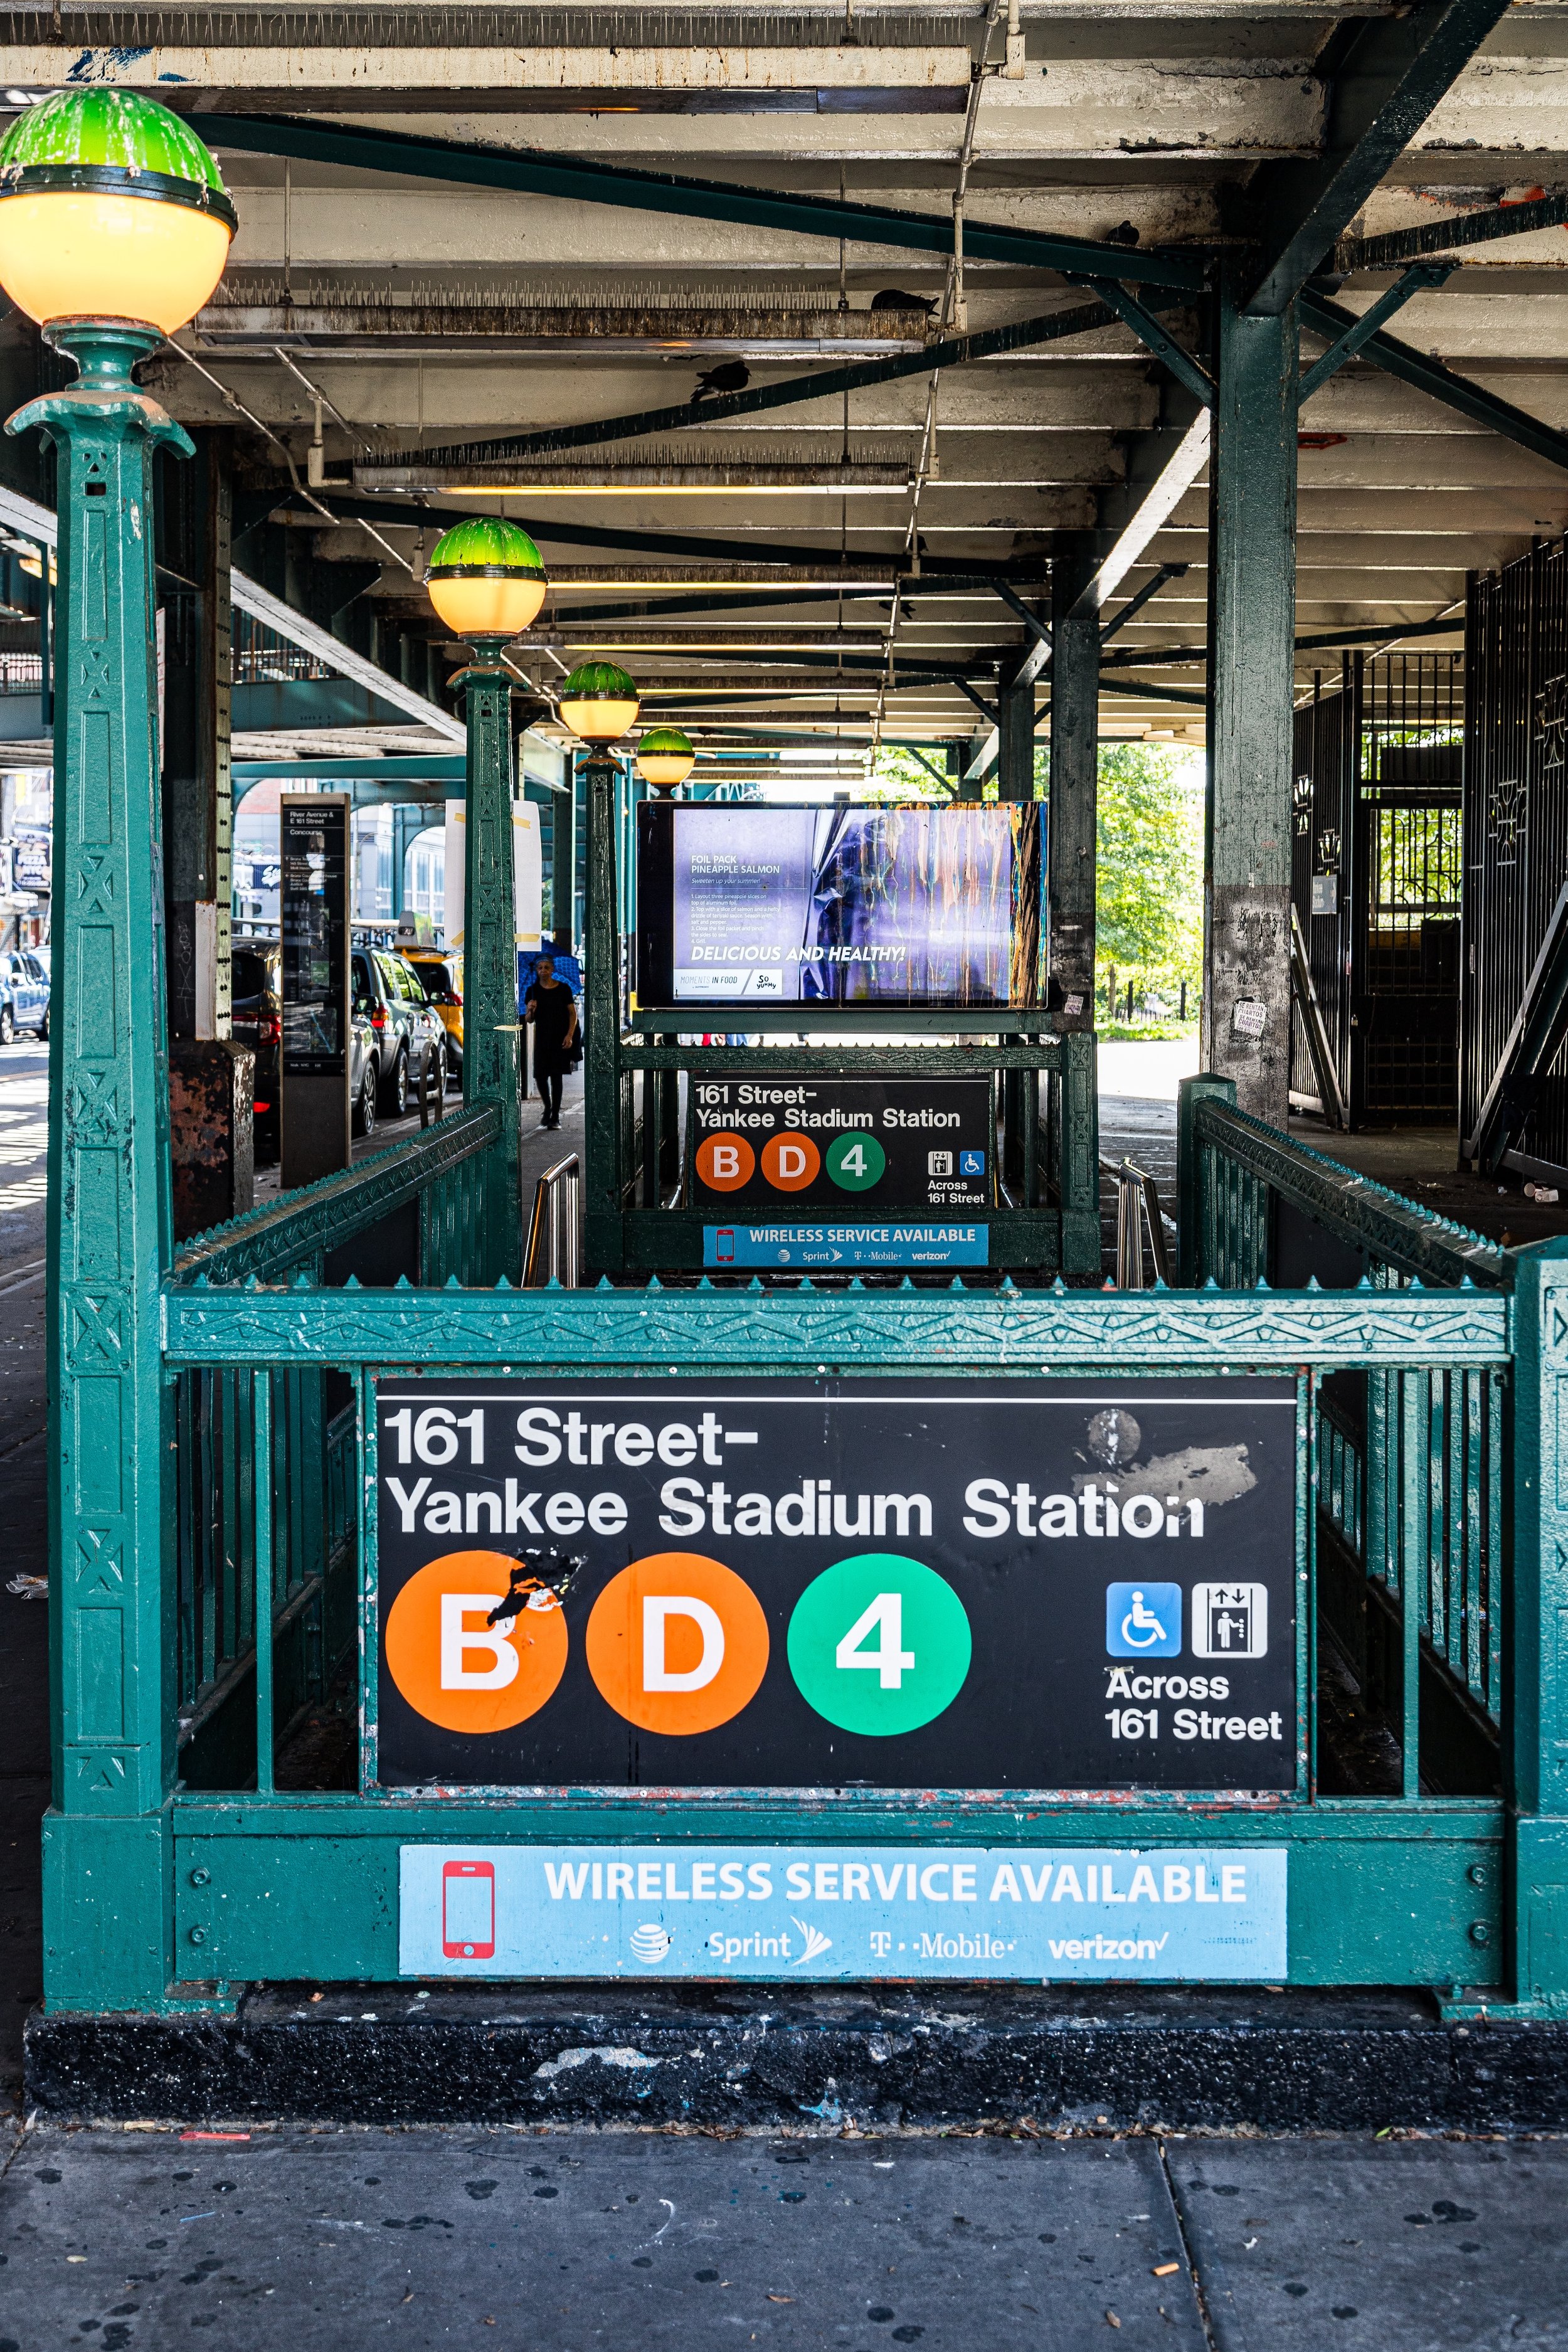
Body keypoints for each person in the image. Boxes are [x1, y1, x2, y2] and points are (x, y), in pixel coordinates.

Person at [524, 953, 579, 1131]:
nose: (543, 971)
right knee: (540, 1076)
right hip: (542, 1039)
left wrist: (569, 1035)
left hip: (560, 1038)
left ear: (553, 969)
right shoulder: (532, 991)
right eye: (540, 968)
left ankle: (555, 1115)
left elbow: (572, 1013)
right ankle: (547, 1107)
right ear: (536, 970)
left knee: (556, 1076)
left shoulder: (563, 989)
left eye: (547, 967)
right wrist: (531, 1010)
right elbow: (529, 1020)